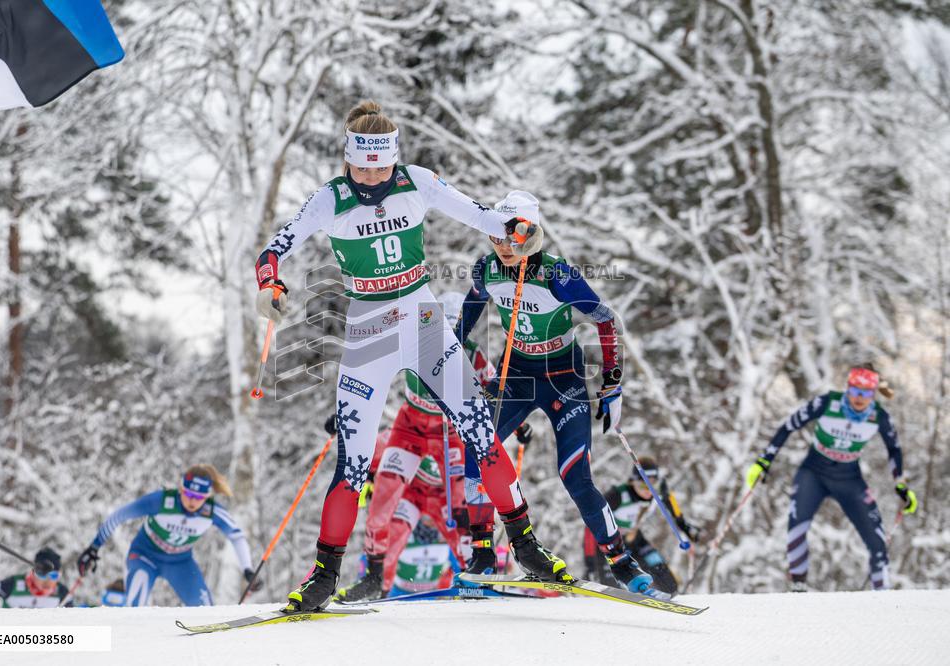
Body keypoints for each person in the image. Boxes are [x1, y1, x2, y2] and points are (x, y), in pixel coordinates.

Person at [255, 100, 569, 612]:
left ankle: (527, 546)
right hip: (369, 334)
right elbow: (272, 252)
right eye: (363, 166)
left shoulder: (417, 183)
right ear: (348, 159)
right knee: (353, 467)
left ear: (394, 158)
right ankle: (323, 575)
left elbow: (488, 219)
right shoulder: (328, 200)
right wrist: (270, 284)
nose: (373, 176)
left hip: (422, 323)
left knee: (483, 438)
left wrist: (521, 230)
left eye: (381, 165)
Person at [455, 190, 660, 597]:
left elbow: (605, 319)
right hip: (517, 376)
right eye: (496, 236)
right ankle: (483, 553)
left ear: (532, 236)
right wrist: (447, 349)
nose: (503, 246)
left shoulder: (557, 275)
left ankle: (621, 562)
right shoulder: (486, 270)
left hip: (564, 378)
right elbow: (471, 310)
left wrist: (612, 384)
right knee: (477, 450)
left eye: (513, 238)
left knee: (574, 476)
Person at [334, 292, 487, 602]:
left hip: (450, 432)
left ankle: (475, 575)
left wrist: (517, 423)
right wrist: (347, 409)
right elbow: (370, 369)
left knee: (461, 506)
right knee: (381, 503)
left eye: (457, 328)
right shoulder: (412, 339)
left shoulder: (473, 353)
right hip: (411, 427)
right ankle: (375, 578)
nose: (450, 336)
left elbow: (499, 388)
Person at [745, 364, 917, 591]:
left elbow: (894, 450)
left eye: (866, 394)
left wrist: (901, 485)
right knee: (796, 527)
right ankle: (798, 588)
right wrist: (763, 461)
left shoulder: (879, 416)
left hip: (849, 479)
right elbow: (788, 426)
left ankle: (882, 596)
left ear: (873, 394)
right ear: (847, 388)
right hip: (813, 473)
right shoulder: (827, 403)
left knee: (877, 541)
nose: (859, 398)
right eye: (855, 391)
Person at [76, 464, 259, 606]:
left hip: (180, 562)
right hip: (144, 556)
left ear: (207, 497)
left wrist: (247, 569)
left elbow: (237, 536)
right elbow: (118, 516)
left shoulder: (212, 512)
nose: (192, 501)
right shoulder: (162, 501)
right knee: (136, 600)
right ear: (181, 490)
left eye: (199, 497)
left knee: (204, 609)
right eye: (188, 494)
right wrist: (94, 547)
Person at [582, 457, 701, 595]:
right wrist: (590, 561)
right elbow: (591, 526)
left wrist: (687, 528)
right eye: (642, 485)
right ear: (632, 481)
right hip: (610, 545)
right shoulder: (618, 495)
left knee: (665, 578)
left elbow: (675, 512)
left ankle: (669, 597)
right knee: (611, 586)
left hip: (634, 539)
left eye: (652, 485)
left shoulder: (658, 493)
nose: (647, 491)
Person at [0, 547, 71, 608]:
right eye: (42, 575)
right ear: (34, 571)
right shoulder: (12, 584)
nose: (48, 581)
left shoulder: (62, 593)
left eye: (54, 576)